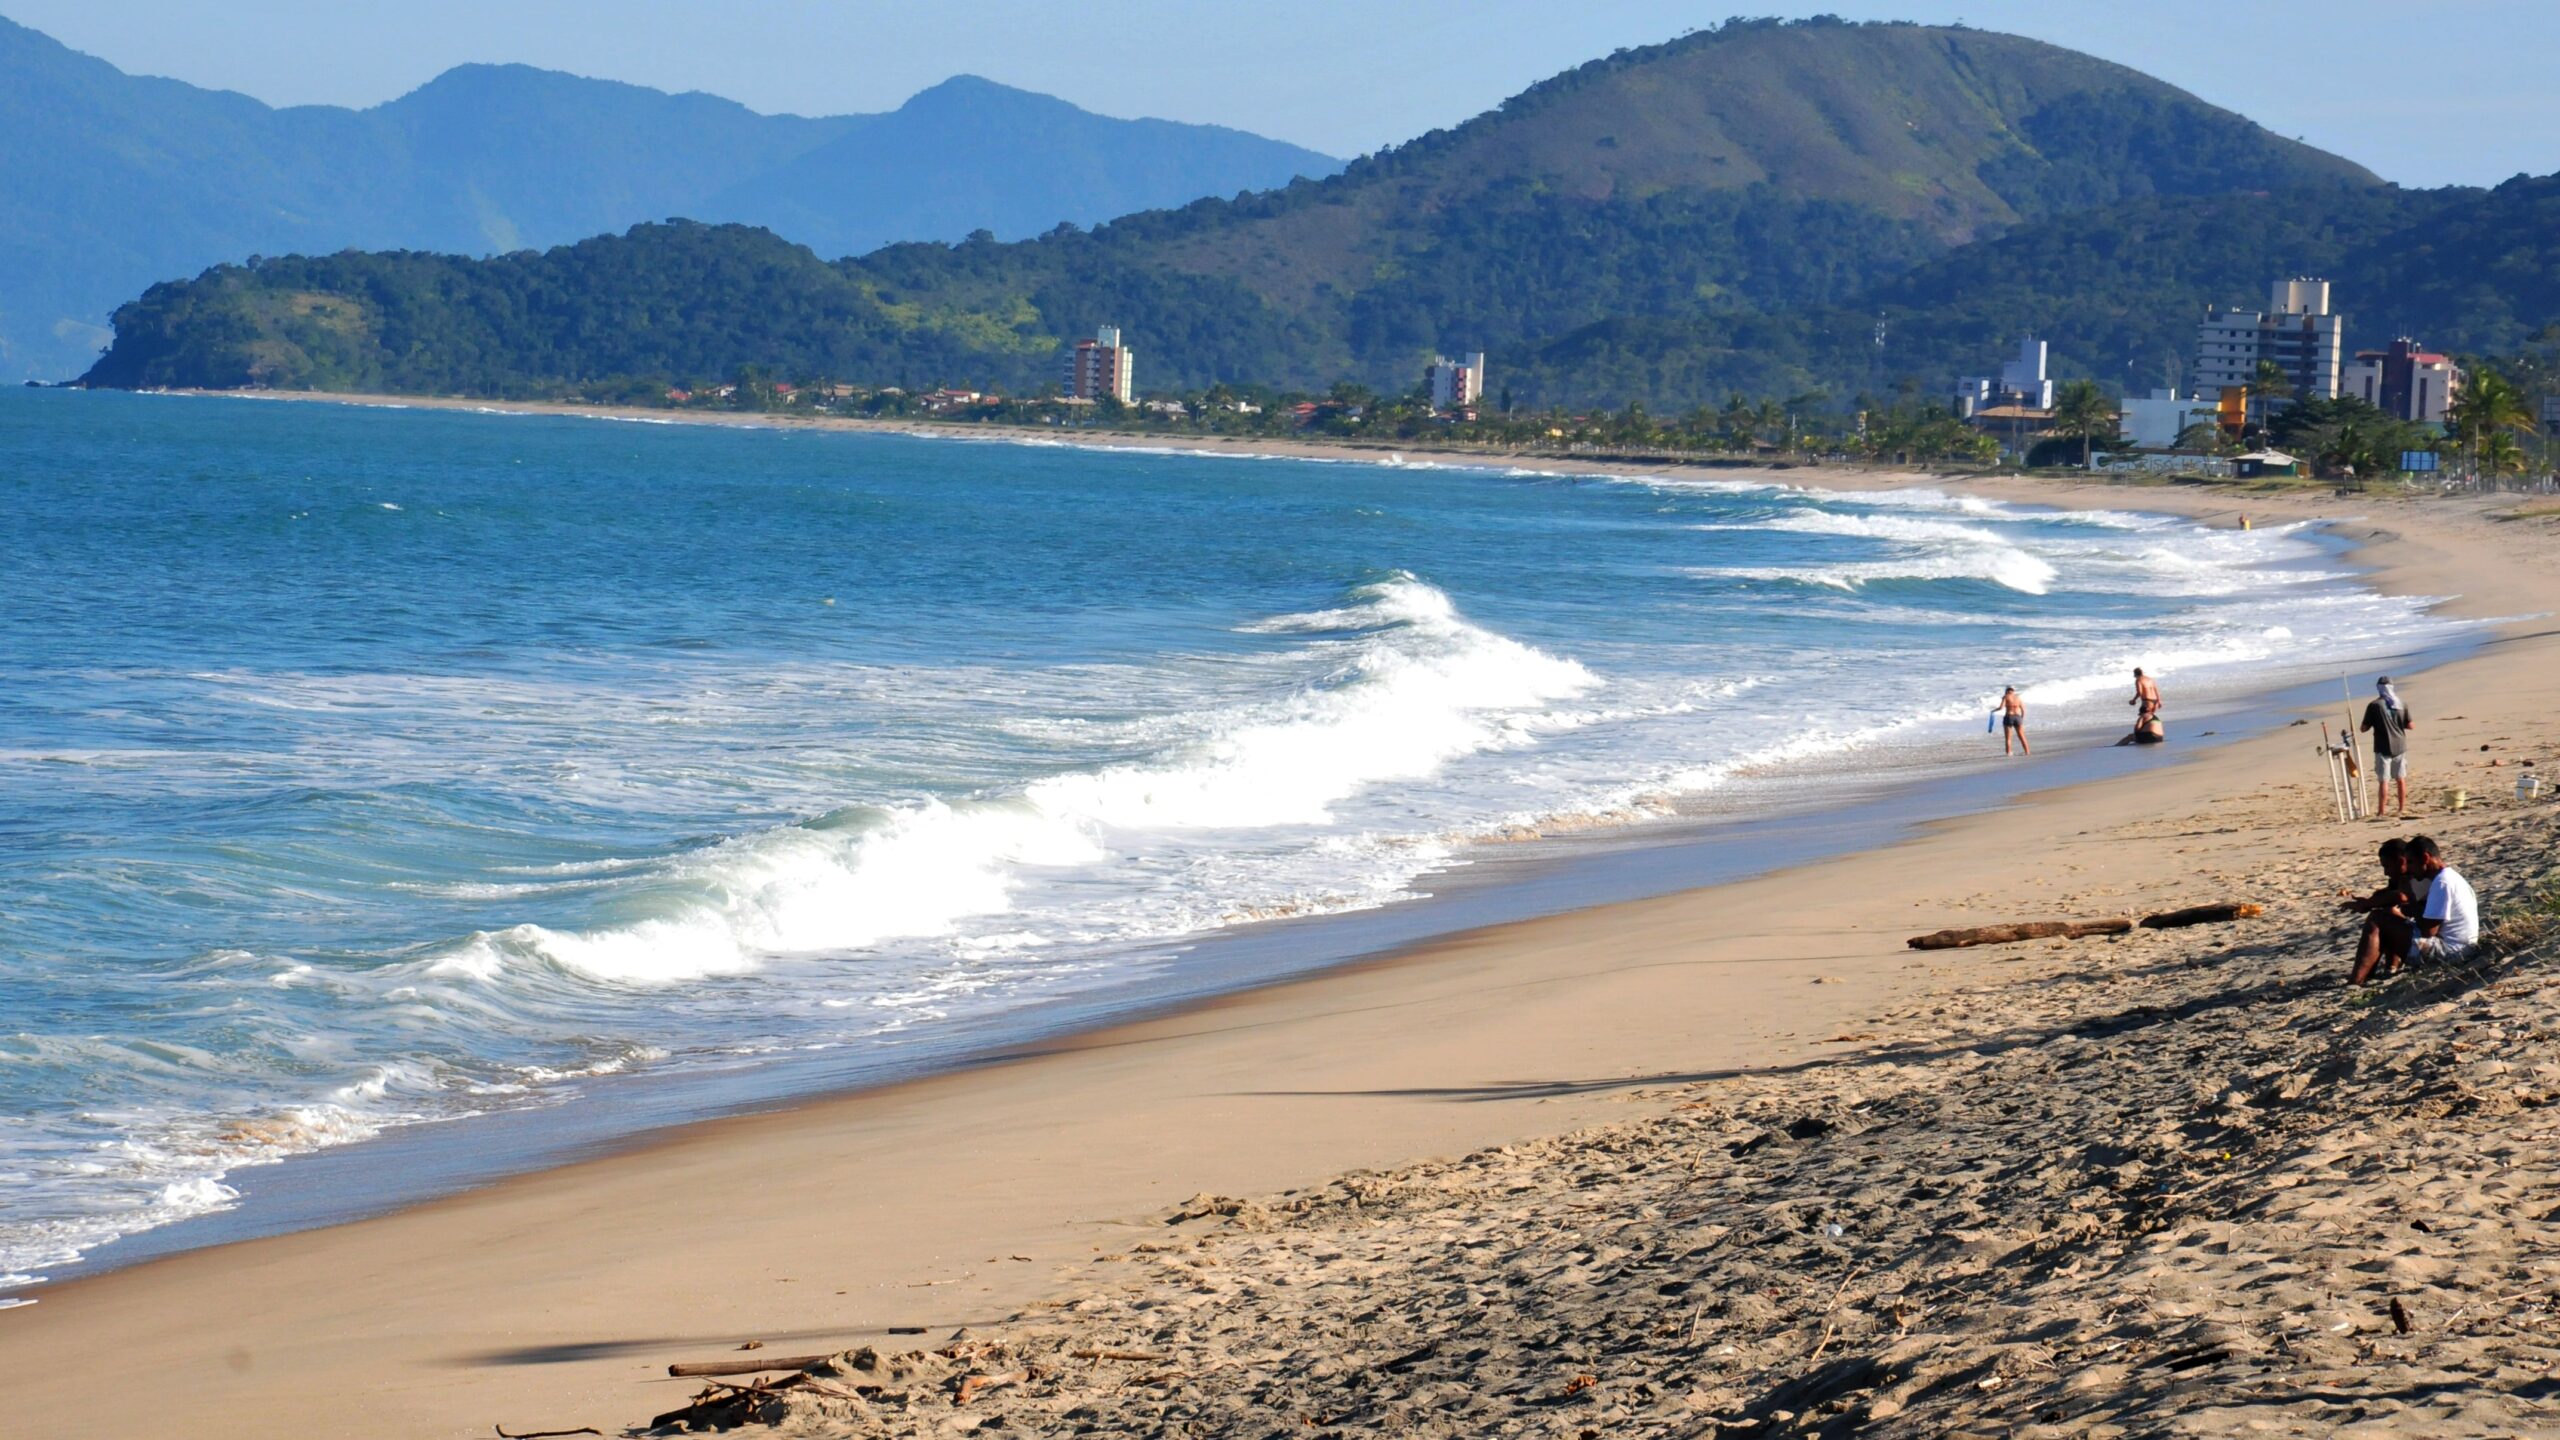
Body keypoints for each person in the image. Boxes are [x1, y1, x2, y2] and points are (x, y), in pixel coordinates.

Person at [2345, 837, 2421, 985]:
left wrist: (2368, 904)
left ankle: (2358, 979)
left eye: (2387, 866)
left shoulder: (2413, 876)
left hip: (2427, 943)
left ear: (2401, 861)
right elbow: (2391, 895)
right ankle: (2390, 966)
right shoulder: (2402, 877)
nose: (2386, 873)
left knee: (2382, 917)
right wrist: (2371, 901)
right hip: (2419, 937)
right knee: (2386, 912)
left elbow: (2401, 896)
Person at [2404, 834, 2479, 966]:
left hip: (2454, 951)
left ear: (2425, 858)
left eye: (2410, 862)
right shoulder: (2449, 877)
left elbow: (2429, 932)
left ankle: (2364, 976)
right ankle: (2389, 968)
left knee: (2386, 925)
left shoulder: (2442, 883)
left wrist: (2410, 897)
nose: (2408, 869)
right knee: (2388, 922)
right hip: (2462, 947)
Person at [2360, 676, 2414, 818]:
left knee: (2384, 780)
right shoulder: (2401, 703)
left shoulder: (2374, 706)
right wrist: (2397, 723)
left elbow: (2363, 728)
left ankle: (2381, 811)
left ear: (2379, 688)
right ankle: (2401, 808)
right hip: (2400, 745)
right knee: (2400, 778)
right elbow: (2410, 725)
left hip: (2382, 746)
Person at [1999, 686, 2029, 756]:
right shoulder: (2018, 697)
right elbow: (2023, 710)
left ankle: (2009, 753)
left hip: (2009, 717)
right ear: (2013, 691)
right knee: (2022, 736)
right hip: (2018, 717)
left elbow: (2001, 707)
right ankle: (2027, 751)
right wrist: (2021, 718)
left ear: (2006, 691)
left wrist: (1993, 711)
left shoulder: (2006, 697)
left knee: (2008, 738)